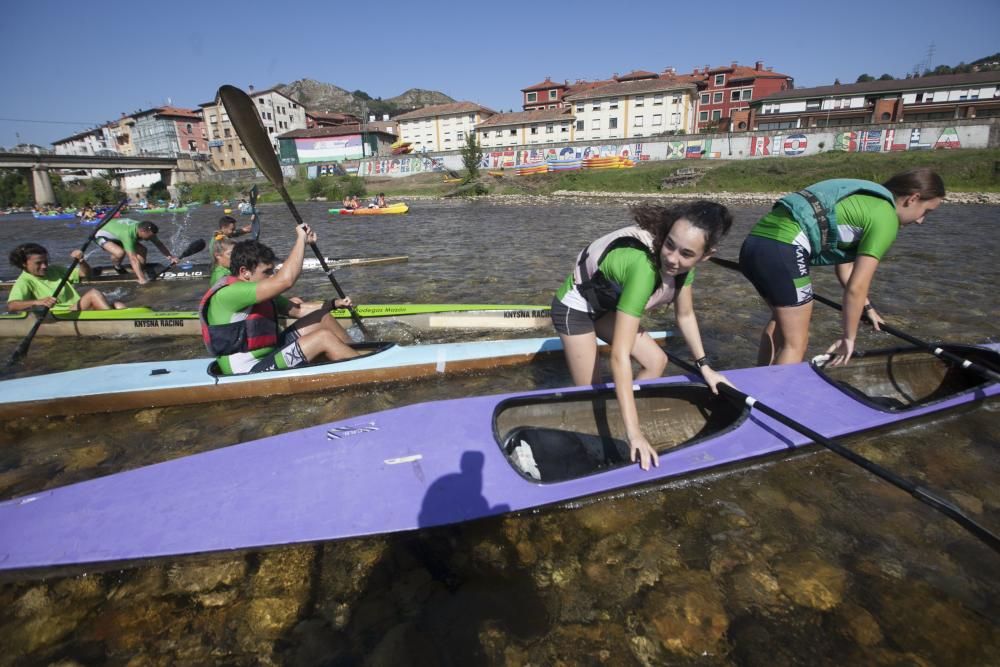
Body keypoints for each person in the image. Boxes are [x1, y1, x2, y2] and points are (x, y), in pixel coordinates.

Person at [551, 201, 734, 471]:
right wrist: (635, 433)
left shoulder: (685, 269)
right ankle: (601, 443)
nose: (672, 258)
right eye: (669, 245)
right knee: (591, 393)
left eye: (686, 253)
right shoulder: (644, 269)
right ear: (666, 233)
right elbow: (620, 356)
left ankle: (623, 418)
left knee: (655, 362)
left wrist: (705, 366)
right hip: (576, 309)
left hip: (606, 307)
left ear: (705, 256)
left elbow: (685, 316)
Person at [738, 168, 945, 367]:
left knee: (781, 322)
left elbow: (845, 270)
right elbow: (857, 286)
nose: (921, 221)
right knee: (796, 343)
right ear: (913, 198)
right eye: (926, 211)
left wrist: (867, 307)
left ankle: (758, 382)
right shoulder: (886, 217)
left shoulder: (861, 198)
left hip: (754, 245)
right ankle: (766, 401)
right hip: (784, 249)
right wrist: (848, 338)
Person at [199, 225, 358, 375]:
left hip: (270, 351)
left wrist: (334, 304)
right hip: (248, 369)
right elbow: (286, 280)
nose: (272, 277)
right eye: (267, 272)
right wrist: (301, 239)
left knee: (322, 318)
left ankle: (357, 355)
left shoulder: (259, 290)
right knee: (323, 338)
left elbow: (298, 310)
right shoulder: (231, 292)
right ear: (245, 272)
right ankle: (364, 368)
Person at [7, 243, 126, 312]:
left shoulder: (56, 269)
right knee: (93, 294)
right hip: (62, 315)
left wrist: (81, 262)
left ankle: (137, 324)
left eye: (46, 262)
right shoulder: (24, 281)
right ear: (24, 264)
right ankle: (120, 324)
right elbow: (12, 305)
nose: (44, 266)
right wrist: (38, 302)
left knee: (118, 305)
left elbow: (86, 274)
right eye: (38, 263)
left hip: (76, 308)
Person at [95, 219, 178, 285]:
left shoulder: (146, 229)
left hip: (118, 233)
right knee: (119, 253)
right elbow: (133, 258)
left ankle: (138, 271)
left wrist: (171, 257)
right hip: (101, 234)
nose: (151, 238)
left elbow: (159, 244)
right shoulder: (128, 234)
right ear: (142, 232)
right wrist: (142, 279)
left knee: (143, 250)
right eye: (150, 236)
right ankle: (117, 267)